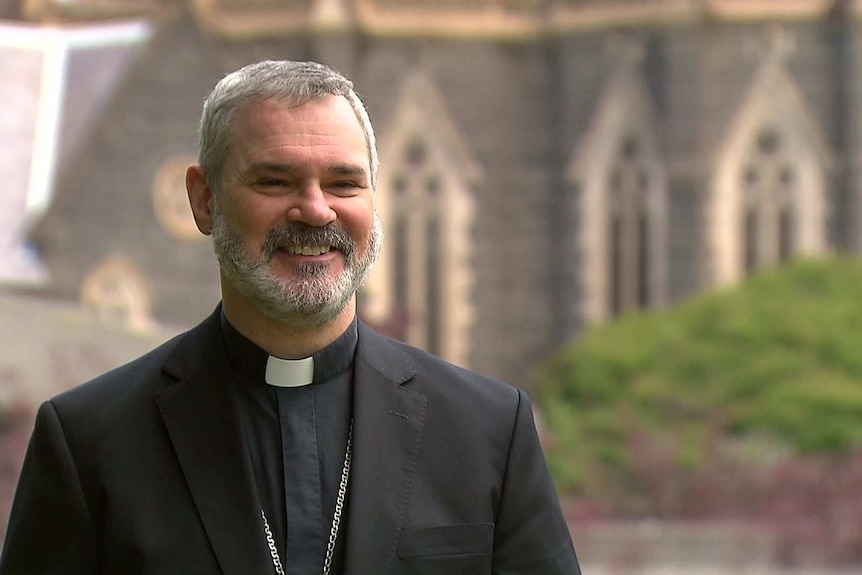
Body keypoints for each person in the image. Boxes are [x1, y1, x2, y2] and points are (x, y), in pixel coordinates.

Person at [0, 60, 580, 575]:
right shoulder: (90, 444)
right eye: (274, 181)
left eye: (344, 183)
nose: (315, 209)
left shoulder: (487, 432)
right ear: (204, 200)